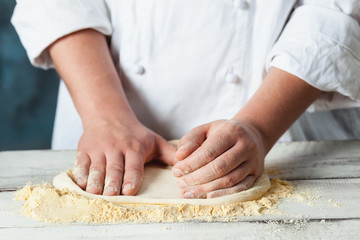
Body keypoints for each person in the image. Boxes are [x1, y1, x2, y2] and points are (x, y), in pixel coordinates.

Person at [12, 0, 360, 199]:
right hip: (103, 114)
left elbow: (331, 9)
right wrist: (105, 115)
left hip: (284, 115)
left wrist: (258, 127)